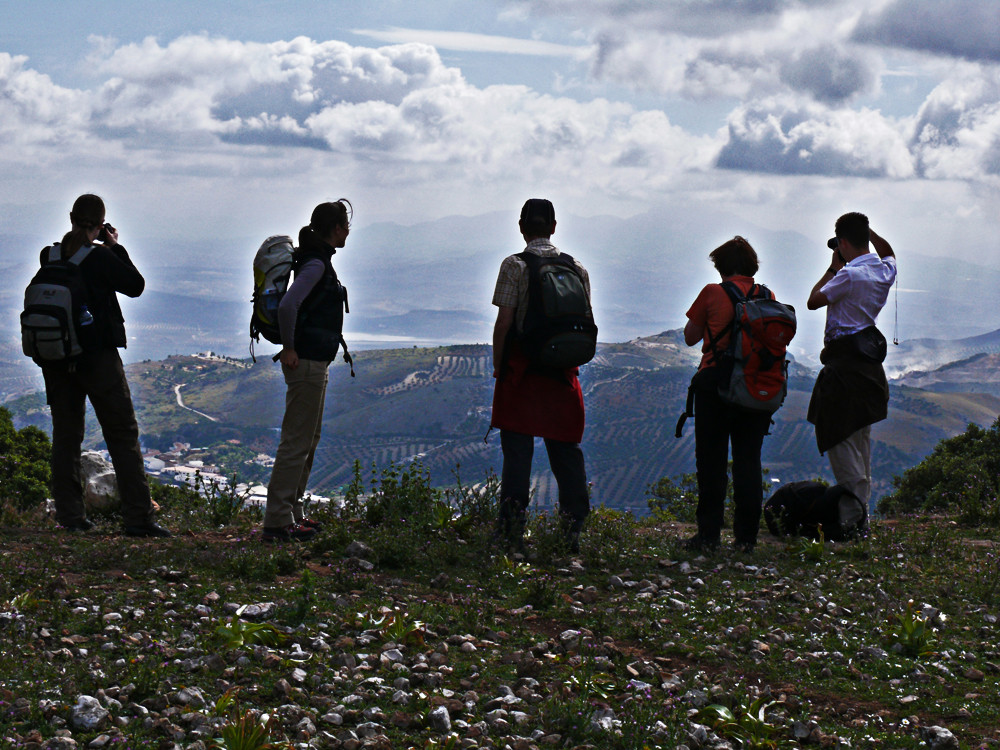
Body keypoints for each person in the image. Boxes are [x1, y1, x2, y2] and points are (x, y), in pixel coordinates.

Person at [41, 194, 170, 536]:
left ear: (70, 217)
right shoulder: (99, 256)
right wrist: (115, 246)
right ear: (101, 224)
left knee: (66, 437)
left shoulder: (49, 255)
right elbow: (135, 285)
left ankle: (70, 517)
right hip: (97, 359)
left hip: (57, 360)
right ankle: (138, 519)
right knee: (122, 435)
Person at [489, 198, 590, 553]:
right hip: (563, 375)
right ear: (553, 226)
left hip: (523, 372)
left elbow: (505, 323)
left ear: (521, 227)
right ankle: (572, 534)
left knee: (518, 453)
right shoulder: (577, 267)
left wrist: (499, 366)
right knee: (566, 452)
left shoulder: (514, 265)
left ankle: (511, 534)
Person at [262, 200, 352, 542]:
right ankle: (277, 520)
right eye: (344, 226)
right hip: (306, 364)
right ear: (334, 229)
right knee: (297, 441)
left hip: (315, 362)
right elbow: (289, 304)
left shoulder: (316, 260)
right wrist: (289, 348)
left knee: (307, 440)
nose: (347, 231)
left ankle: (293, 513)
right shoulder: (316, 264)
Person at [683, 237, 774, 553]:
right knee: (749, 461)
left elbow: (690, 338)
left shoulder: (712, 292)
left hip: (716, 387)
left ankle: (708, 535)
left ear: (721, 267)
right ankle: (746, 538)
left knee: (711, 462)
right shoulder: (767, 295)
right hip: (755, 389)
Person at [806, 212, 896, 508]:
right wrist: (870, 234)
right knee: (860, 442)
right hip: (870, 369)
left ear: (842, 242)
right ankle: (861, 519)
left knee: (838, 437)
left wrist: (833, 268)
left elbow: (814, 300)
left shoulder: (848, 274)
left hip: (843, 369)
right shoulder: (883, 272)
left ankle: (851, 516)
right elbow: (890, 254)